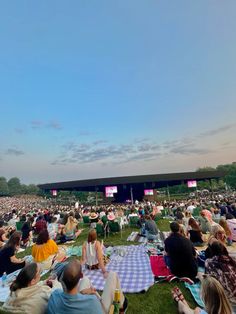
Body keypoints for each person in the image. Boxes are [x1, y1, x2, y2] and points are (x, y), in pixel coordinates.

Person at [47, 259, 127, 314]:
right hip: (100, 309)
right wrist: (95, 294)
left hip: (76, 300)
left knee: (86, 280)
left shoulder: (54, 296)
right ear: (81, 275)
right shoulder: (92, 301)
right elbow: (99, 308)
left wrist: (82, 293)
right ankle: (121, 306)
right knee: (112, 275)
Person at [204, 241, 236, 307]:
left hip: (226, 298)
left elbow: (208, 279)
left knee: (202, 276)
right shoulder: (230, 260)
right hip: (233, 292)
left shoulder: (209, 262)